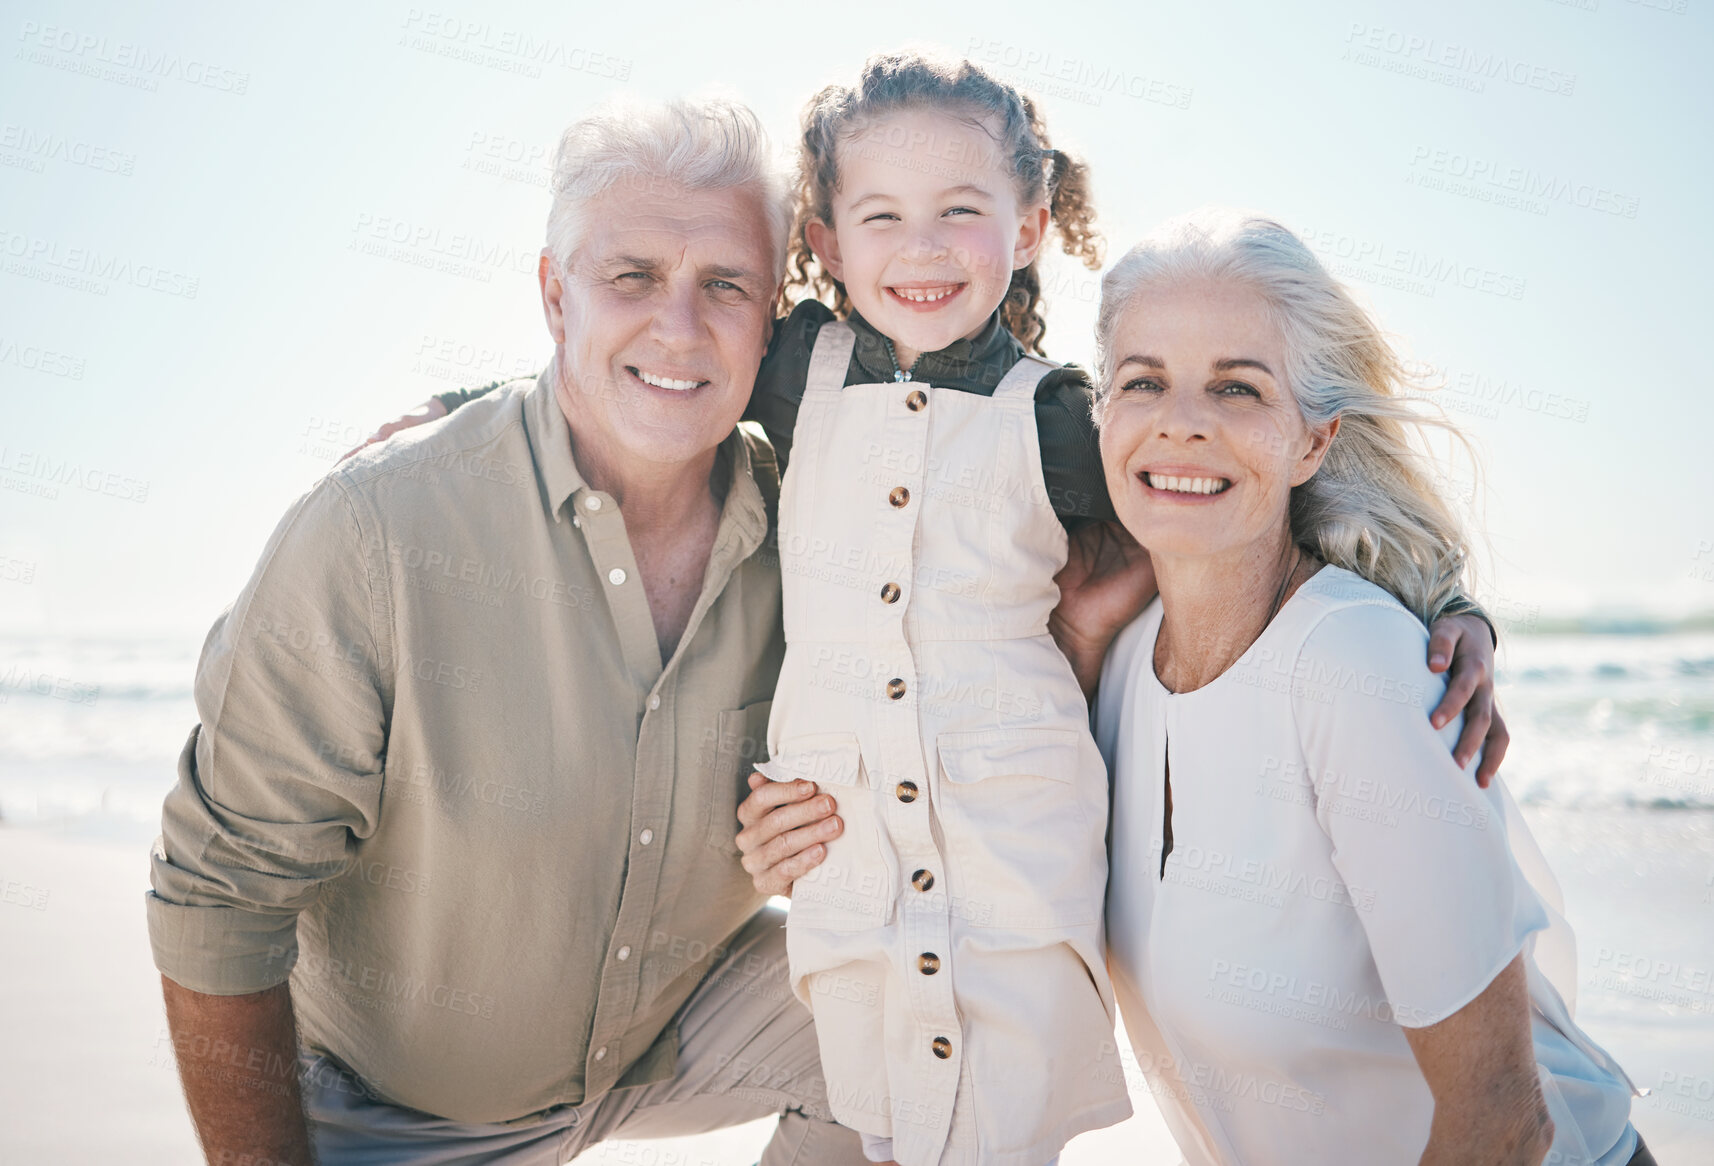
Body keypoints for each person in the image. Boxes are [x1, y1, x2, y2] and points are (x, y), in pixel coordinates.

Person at [414, 56, 1507, 1166]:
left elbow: (1232, 499)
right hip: (842, 822)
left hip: (1011, 825)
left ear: (1028, 224)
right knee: (874, 1079)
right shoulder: (798, 369)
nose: (922, 247)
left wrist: (1441, 600)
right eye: (880, 215)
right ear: (827, 242)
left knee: (997, 1100)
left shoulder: (1063, 417)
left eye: (961, 212)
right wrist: (464, 410)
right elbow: (646, 370)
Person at [147, 98, 879, 1165]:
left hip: (661, 1027)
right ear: (553, 295)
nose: (680, 326)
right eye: (631, 276)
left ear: (770, 319)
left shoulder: (819, 534)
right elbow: (218, 897)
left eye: (725, 285)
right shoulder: (376, 530)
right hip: (385, 1110)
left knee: (936, 1013)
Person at [1090, 209, 1648, 1165]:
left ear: (1314, 442)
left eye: (1237, 386)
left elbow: (1504, 1124)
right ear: (1100, 413)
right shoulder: (1117, 663)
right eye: (1145, 382)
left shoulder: (1357, 668)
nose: (1182, 420)